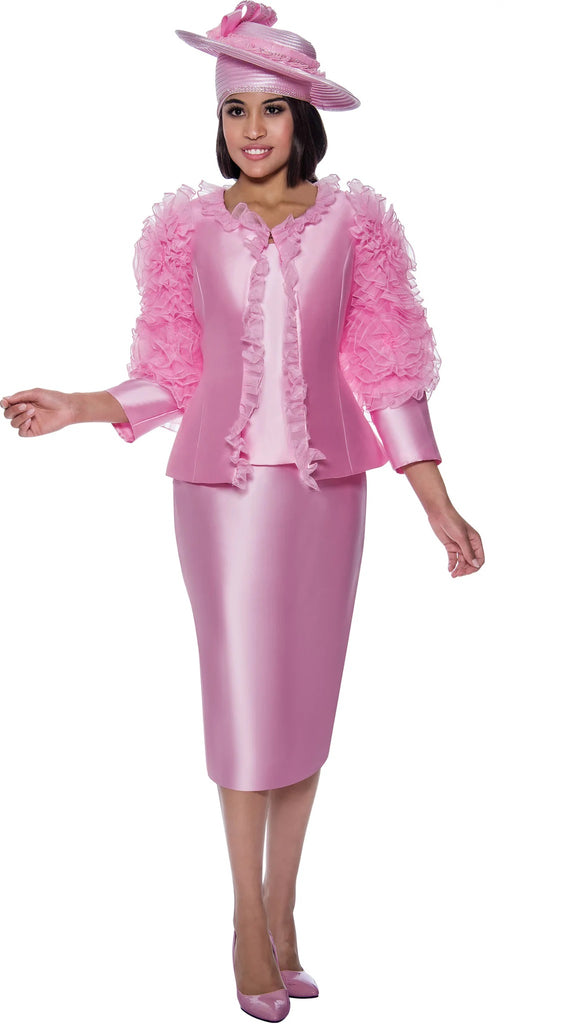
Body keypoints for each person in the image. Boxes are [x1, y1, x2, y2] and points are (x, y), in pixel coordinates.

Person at [1, 3, 485, 1021]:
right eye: (234, 111)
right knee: (241, 697)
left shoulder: (354, 223)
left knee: (305, 702)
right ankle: (246, 920)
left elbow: (388, 368)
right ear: (217, 121)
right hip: (219, 495)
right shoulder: (187, 227)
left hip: (327, 490)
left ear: (303, 117)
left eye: (270, 109)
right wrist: (82, 405)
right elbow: (173, 367)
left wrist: (436, 504)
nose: (251, 129)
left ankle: (286, 908)